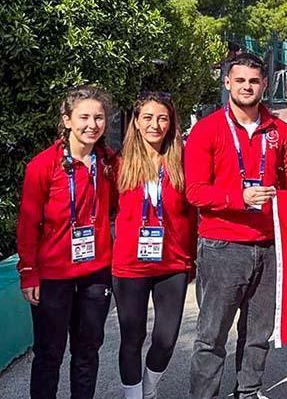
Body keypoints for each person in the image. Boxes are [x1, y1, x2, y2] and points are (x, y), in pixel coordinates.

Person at [185, 52, 287, 399]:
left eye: (253, 81)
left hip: (268, 245)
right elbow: (194, 191)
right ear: (227, 83)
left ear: (264, 84)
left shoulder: (280, 131)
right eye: (240, 80)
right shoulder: (207, 130)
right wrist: (239, 197)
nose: (247, 87)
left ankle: (248, 392)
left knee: (258, 333)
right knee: (211, 335)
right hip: (223, 245)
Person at [17, 85, 116, 399]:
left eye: (99, 117)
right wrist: (28, 271)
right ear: (67, 120)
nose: (92, 125)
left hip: (96, 274)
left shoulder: (108, 162)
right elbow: (28, 223)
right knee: (49, 353)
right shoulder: (42, 165)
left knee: (88, 351)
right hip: (53, 276)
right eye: (84, 117)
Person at [113, 92, 197, 399]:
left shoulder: (182, 163)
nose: (155, 125)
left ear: (171, 123)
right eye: (147, 117)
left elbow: (193, 214)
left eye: (162, 118)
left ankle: (148, 388)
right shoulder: (117, 165)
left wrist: (192, 258)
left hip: (172, 263)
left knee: (166, 338)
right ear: (136, 122)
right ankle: (133, 395)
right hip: (129, 266)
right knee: (132, 337)